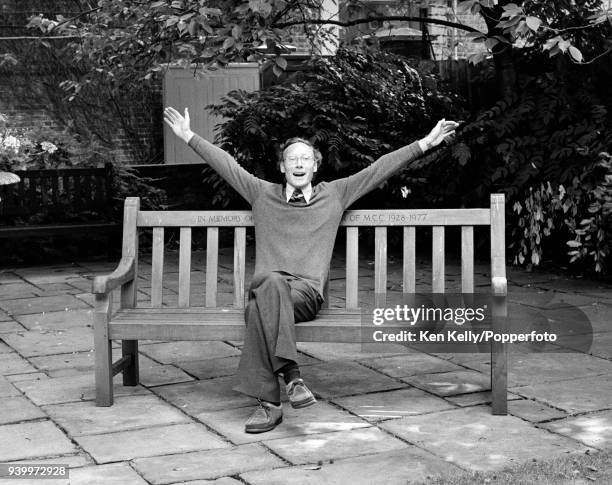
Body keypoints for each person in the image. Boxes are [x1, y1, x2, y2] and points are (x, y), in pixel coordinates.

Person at [163, 106, 458, 433]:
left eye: (305, 158)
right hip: (269, 294)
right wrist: (189, 136)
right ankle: (286, 387)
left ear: (316, 166)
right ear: (281, 167)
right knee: (265, 295)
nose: (299, 163)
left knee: (258, 304)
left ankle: (276, 393)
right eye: (292, 158)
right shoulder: (261, 194)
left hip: (305, 296)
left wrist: (426, 144)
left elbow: (378, 169)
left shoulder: (335, 194)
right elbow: (227, 165)